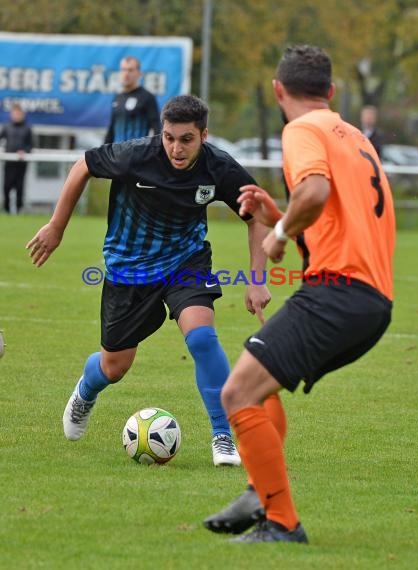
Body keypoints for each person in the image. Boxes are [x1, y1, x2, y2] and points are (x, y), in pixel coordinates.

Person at [203, 44, 395, 542]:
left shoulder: (301, 129)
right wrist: (277, 213)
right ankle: (259, 489)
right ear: (331, 93)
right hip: (371, 300)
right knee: (256, 381)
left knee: (236, 392)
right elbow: (338, 220)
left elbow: (313, 194)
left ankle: (282, 521)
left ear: (277, 90)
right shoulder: (354, 137)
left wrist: (280, 233)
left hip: (338, 292)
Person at [26, 94, 271, 467]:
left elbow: (257, 216)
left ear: (204, 136)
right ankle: (86, 390)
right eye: (169, 137)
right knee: (115, 366)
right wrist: (56, 227)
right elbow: (82, 167)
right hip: (129, 269)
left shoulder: (218, 168)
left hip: (185, 261)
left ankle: (223, 436)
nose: (175, 147)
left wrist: (257, 279)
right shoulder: (136, 155)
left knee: (202, 337)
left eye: (186, 139)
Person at [104, 56, 160, 144]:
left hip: (138, 154)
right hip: (117, 155)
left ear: (139, 73)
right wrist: (103, 153)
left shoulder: (147, 97)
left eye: (130, 70)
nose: (126, 73)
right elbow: (111, 129)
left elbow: (157, 128)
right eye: (123, 70)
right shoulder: (117, 98)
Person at [0, 103, 33, 213]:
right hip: (9, 163)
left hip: (21, 163)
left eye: (19, 113)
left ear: (22, 114)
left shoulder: (27, 128)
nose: (17, 115)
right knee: (6, 187)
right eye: (15, 113)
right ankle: (7, 210)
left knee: (19, 187)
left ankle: (19, 210)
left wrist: (25, 151)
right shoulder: (7, 127)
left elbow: (31, 145)